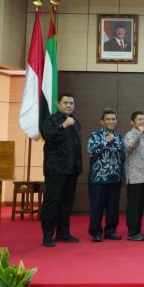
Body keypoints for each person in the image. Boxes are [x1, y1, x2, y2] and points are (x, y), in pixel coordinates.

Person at [40, 93, 82, 247]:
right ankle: (47, 236)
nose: (69, 106)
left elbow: (76, 146)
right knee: (52, 203)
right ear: (58, 104)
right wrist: (63, 126)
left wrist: (78, 166)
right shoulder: (50, 120)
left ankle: (63, 233)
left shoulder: (75, 121)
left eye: (71, 103)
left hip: (72, 169)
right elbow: (48, 136)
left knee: (66, 203)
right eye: (65, 103)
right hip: (55, 169)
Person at [86, 108, 125, 242]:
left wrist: (122, 177)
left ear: (116, 121)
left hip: (115, 178)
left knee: (113, 208)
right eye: (108, 119)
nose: (111, 121)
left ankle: (110, 231)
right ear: (102, 121)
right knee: (97, 207)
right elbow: (91, 151)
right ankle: (96, 232)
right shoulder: (95, 135)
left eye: (113, 119)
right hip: (98, 178)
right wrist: (106, 141)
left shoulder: (120, 137)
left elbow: (122, 158)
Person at [124, 111, 144, 241]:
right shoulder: (129, 135)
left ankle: (137, 230)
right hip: (134, 177)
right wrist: (139, 134)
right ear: (132, 122)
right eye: (140, 119)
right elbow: (130, 147)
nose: (143, 122)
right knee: (133, 206)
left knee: (140, 206)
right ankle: (132, 232)